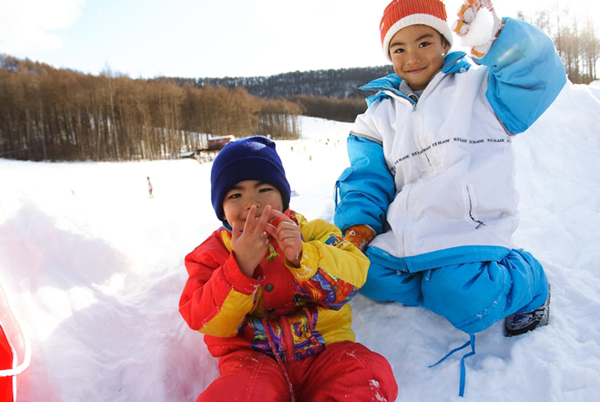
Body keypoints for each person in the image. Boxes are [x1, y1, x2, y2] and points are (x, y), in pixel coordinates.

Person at [334, 0, 565, 394]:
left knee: (464, 302)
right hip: (411, 231)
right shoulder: (377, 117)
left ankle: (529, 278)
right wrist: (358, 224)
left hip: (468, 227)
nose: (412, 57)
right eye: (399, 48)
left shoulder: (481, 89)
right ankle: (434, 277)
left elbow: (539, 76)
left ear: (444, 41)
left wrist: (497, 39)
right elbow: (366, 178)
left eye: (424, 42)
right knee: (368, 277)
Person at [179, 136, 398, 402]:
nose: (251, 203)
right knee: (239, 395)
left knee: (366, 373)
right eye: (235, 194)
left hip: (326, 349)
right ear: (222, 210)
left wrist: (305, 256)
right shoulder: (210, 255)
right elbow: (205, 320)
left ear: (284, 197)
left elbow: (355, 273)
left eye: (264, 189)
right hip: (252, 360)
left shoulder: (314, 233)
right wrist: (240, 268)